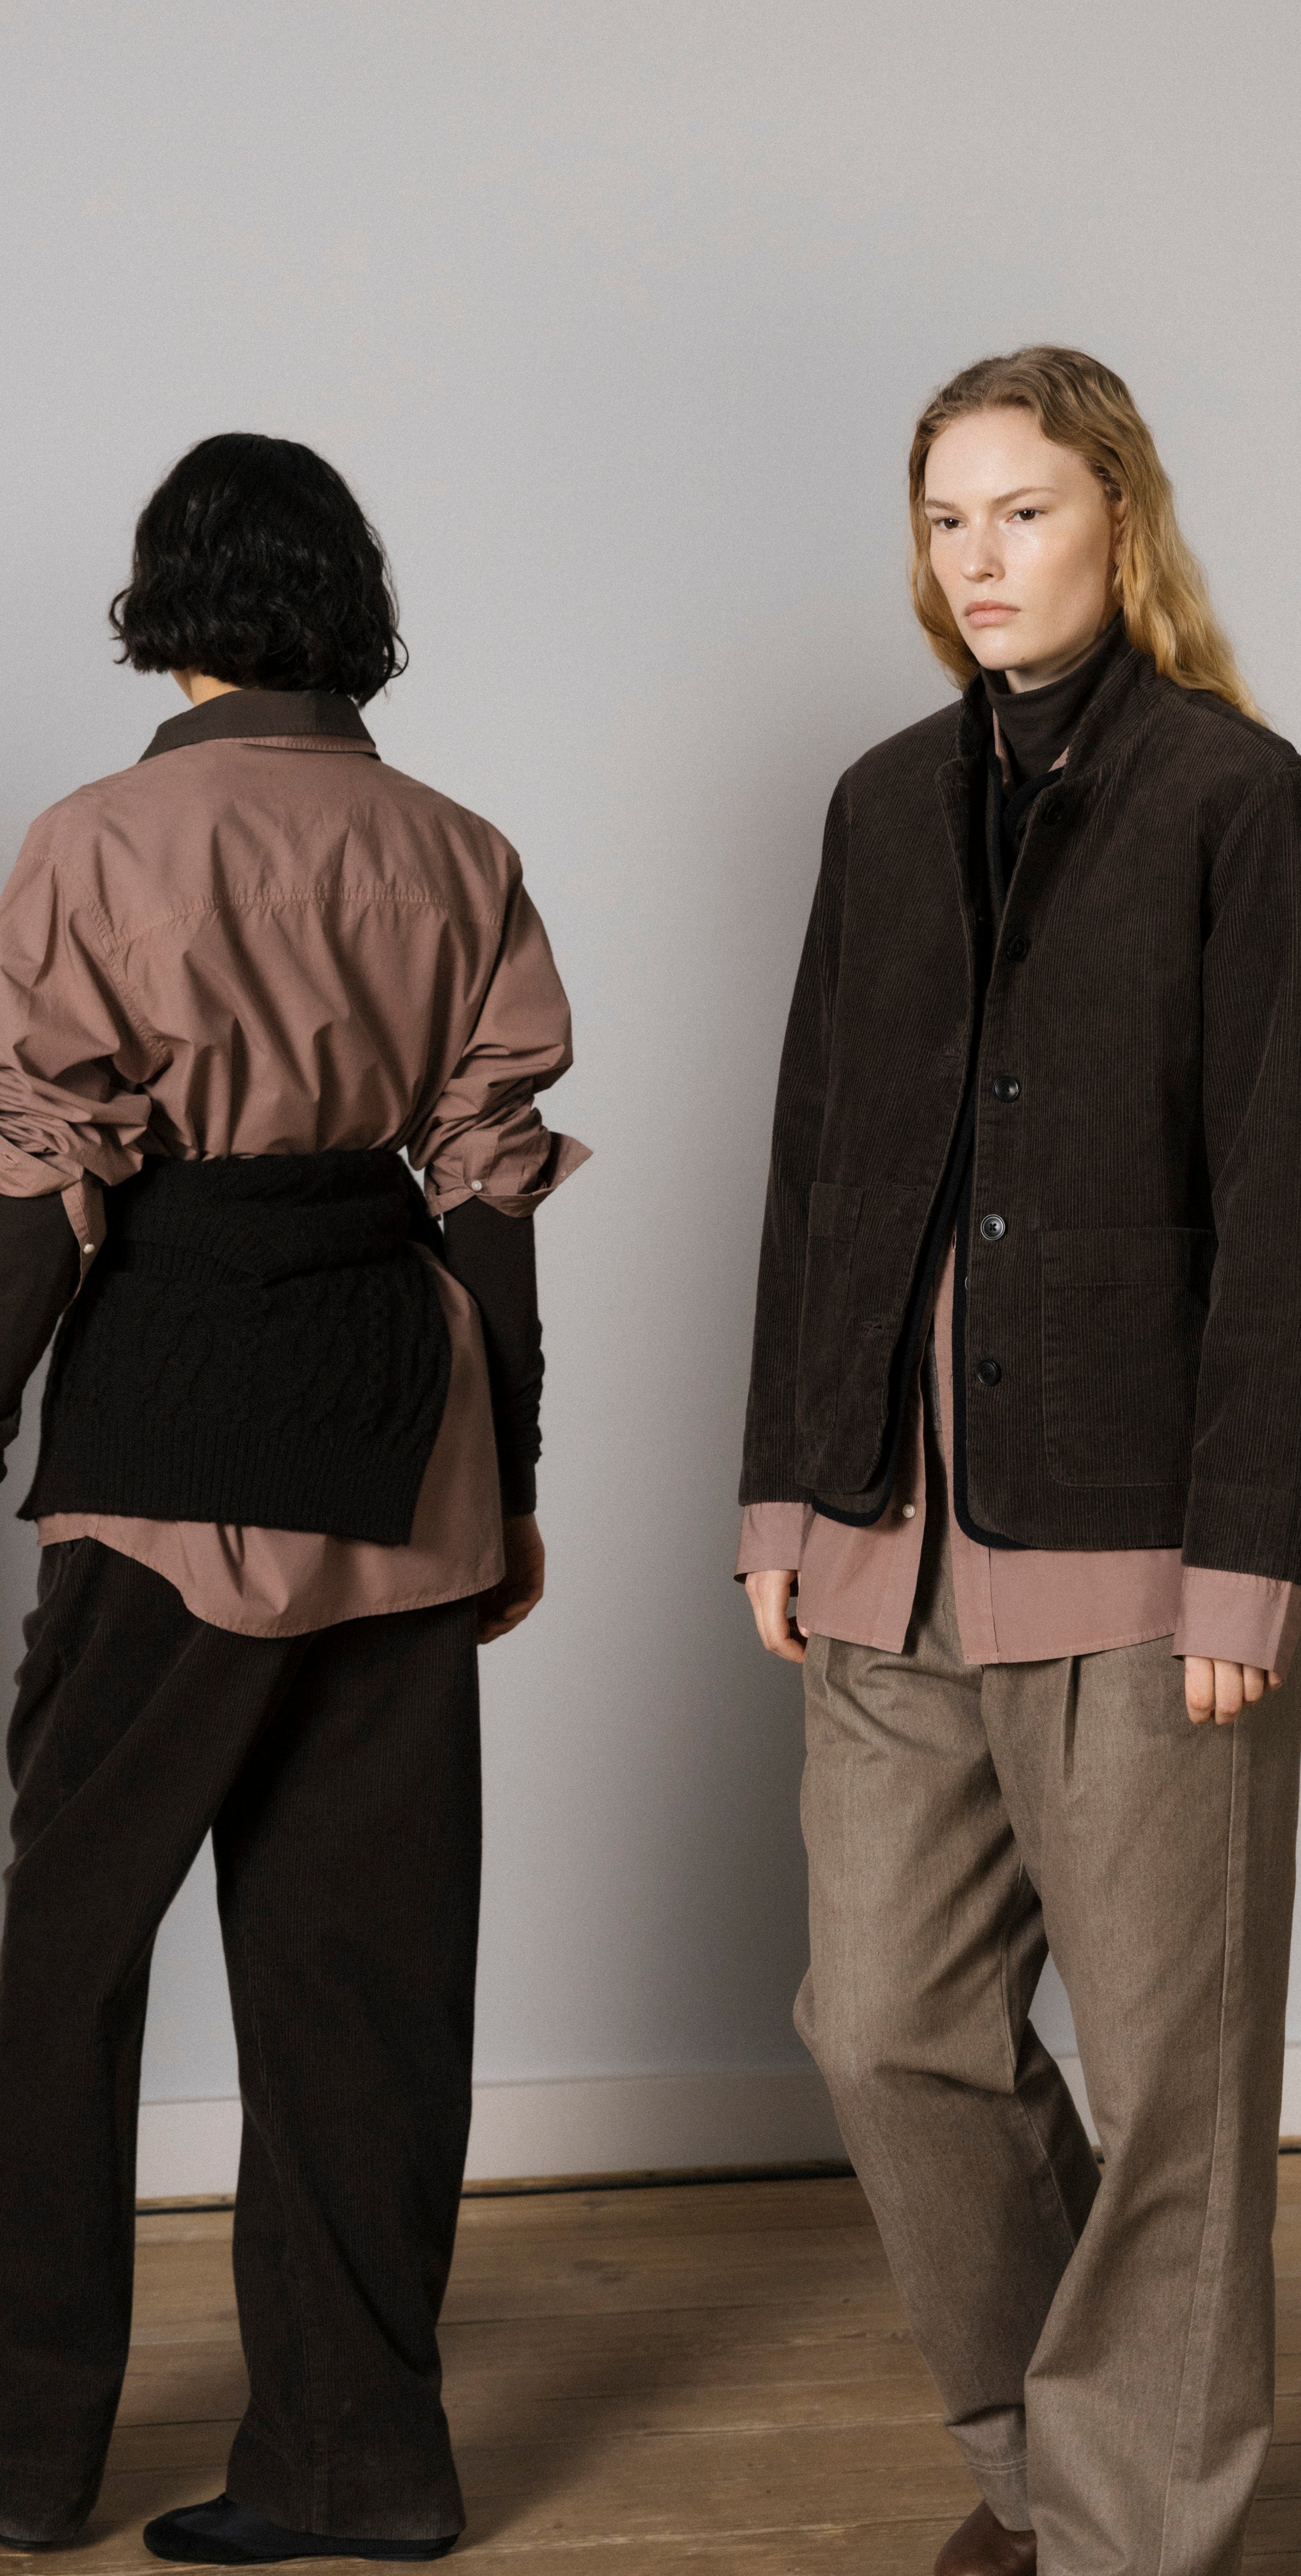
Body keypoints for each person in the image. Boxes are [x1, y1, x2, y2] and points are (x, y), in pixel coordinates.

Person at [737, 348, 1301, 2576]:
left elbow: (1277, 1198)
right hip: (883, 1537)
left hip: (1139, 1552)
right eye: (946, 521)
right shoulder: (880, 803)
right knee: (884, 2028)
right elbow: (816, 1161)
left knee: (1180, 2090)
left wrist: (1244, 1563)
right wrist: (782, 1491)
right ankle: (1047, 2467)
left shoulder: (1239, 799)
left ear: (1119, 519)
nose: (978, 559)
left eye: (1022, 511)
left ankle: (1127, 2539)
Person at [0, 435, 585, 2564]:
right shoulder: (460, 853)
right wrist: (511, 1480)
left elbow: (40, 1178)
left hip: (167, 1431)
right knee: (367, 1977)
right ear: (353, 605)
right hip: (401, 1439)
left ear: (167, 604)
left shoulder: (93, 843)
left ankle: (20, 2455)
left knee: (60, 1963)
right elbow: (490, 1190)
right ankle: (360, 2464)